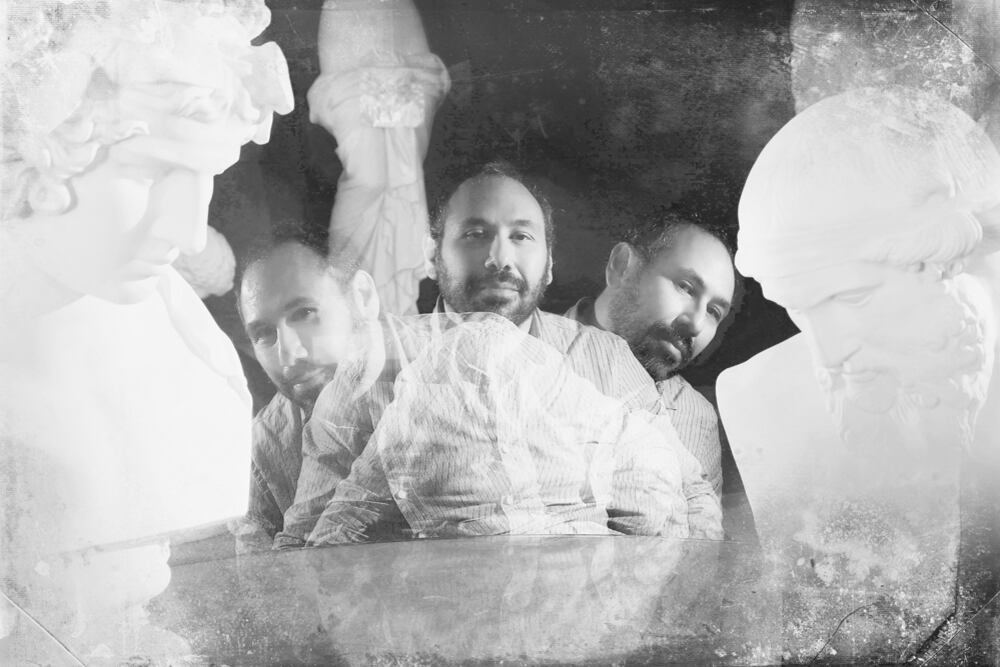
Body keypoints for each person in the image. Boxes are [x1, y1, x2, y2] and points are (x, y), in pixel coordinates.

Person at [0, 0, 292, 654]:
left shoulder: (191, 352)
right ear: (27, 154)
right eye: (147, 174)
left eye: (206, 179)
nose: (189, 231)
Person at [276, 161, 722, 546]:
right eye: (475, 234)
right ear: (431, 255)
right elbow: (305, 542)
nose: (499, 258)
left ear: (550, 263)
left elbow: (689, 500)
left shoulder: (604, 358)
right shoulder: (370, 365)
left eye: (522, 236)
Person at [716, 86, 1000, 661]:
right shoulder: (758, 396)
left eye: (855, 298)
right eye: (799, 309)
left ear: (950, 261)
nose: (830, 351)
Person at [565, 215, 736, 495]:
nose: (695, 324)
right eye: (686, 288)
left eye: (713, 312)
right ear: (622, 267)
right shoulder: (511, 351)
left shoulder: (696, 420)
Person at [236, 236, 380, 541]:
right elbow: (257, 569)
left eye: (304, 314)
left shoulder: (445, 378)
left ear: (363, 298)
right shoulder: (262, 452)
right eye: (263, 333)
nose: (289, 355)